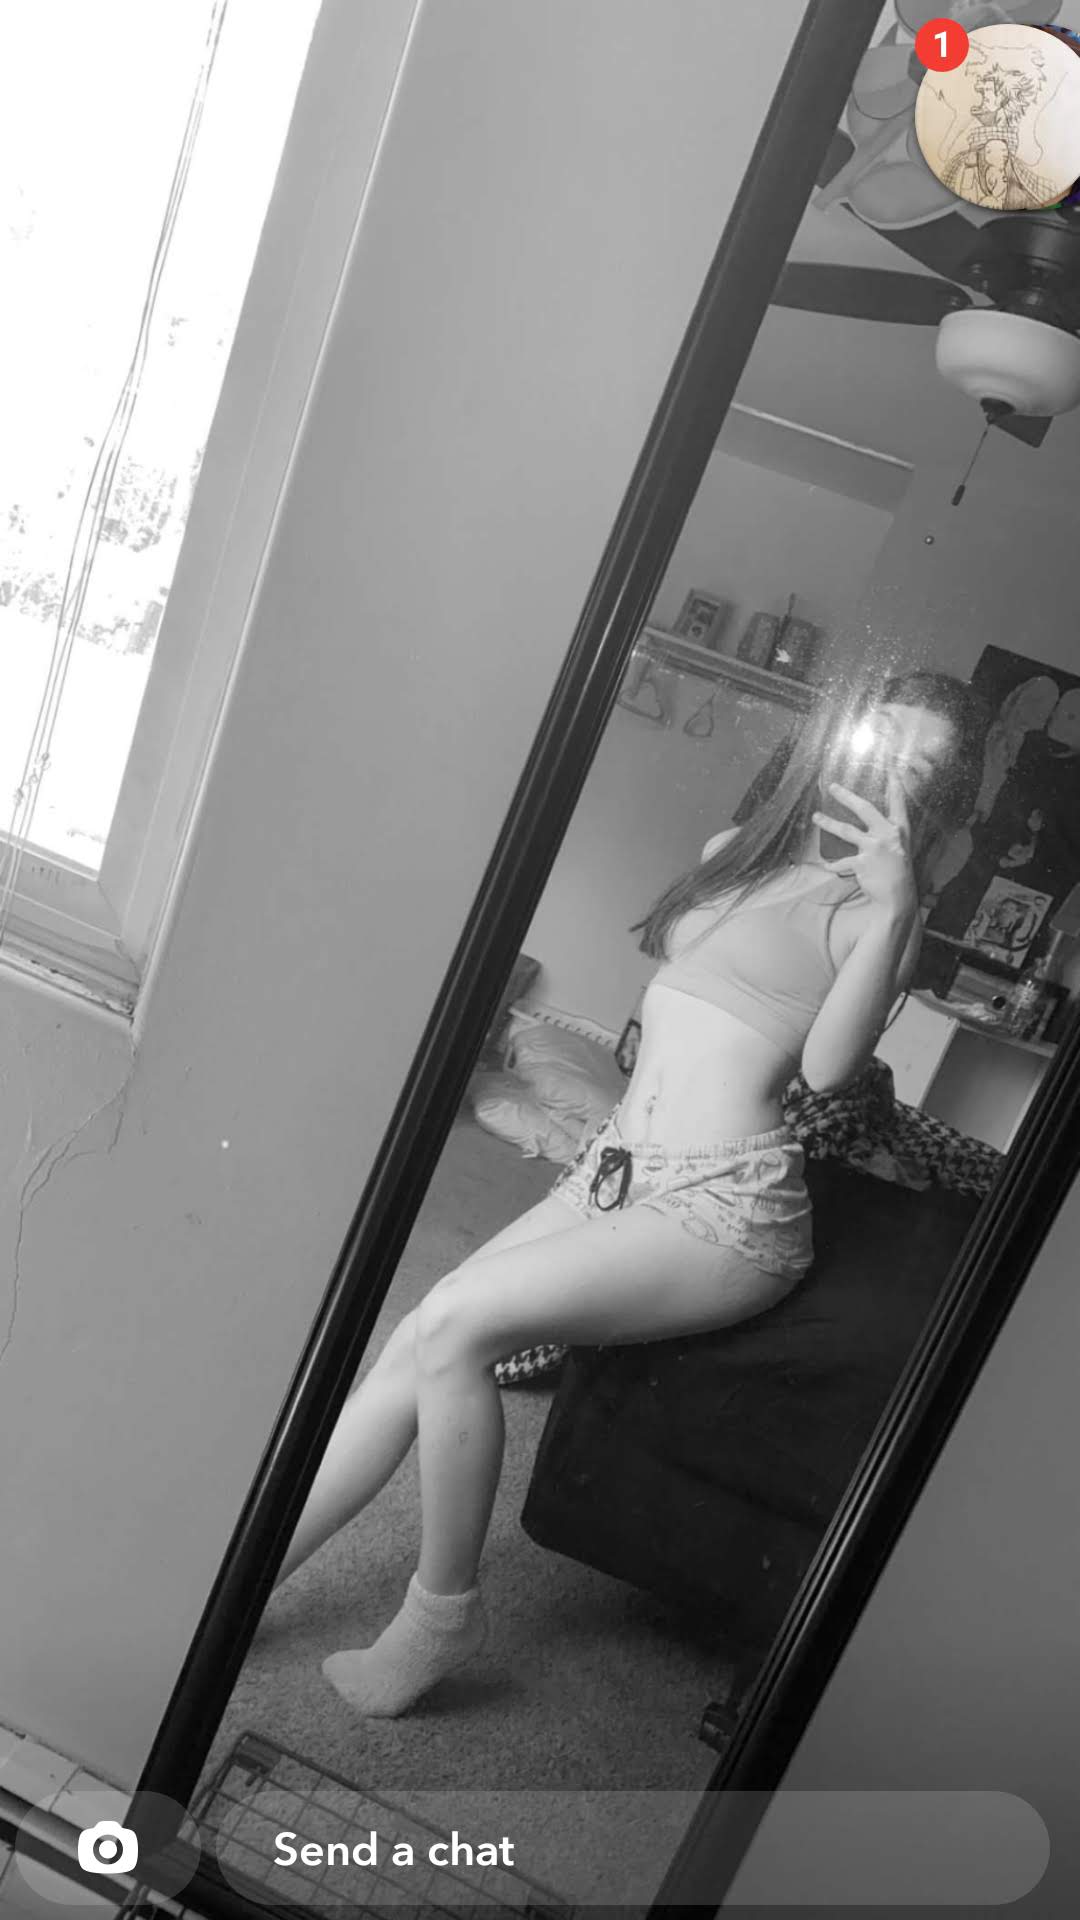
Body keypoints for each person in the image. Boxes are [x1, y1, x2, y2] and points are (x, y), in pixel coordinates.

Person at [273, 666, 988, 1719]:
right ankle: (257, 1569)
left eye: (925, 771)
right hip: (618, 1169)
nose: (896, 779)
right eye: (885, 747)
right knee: (416, 1336)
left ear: (941, 803)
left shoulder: (880, 919)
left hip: (723, 1210)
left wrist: (894, 904)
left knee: (459, 1326)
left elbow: (831, 1070)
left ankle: (440, 1616)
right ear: (838, 743)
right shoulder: (732, 855)